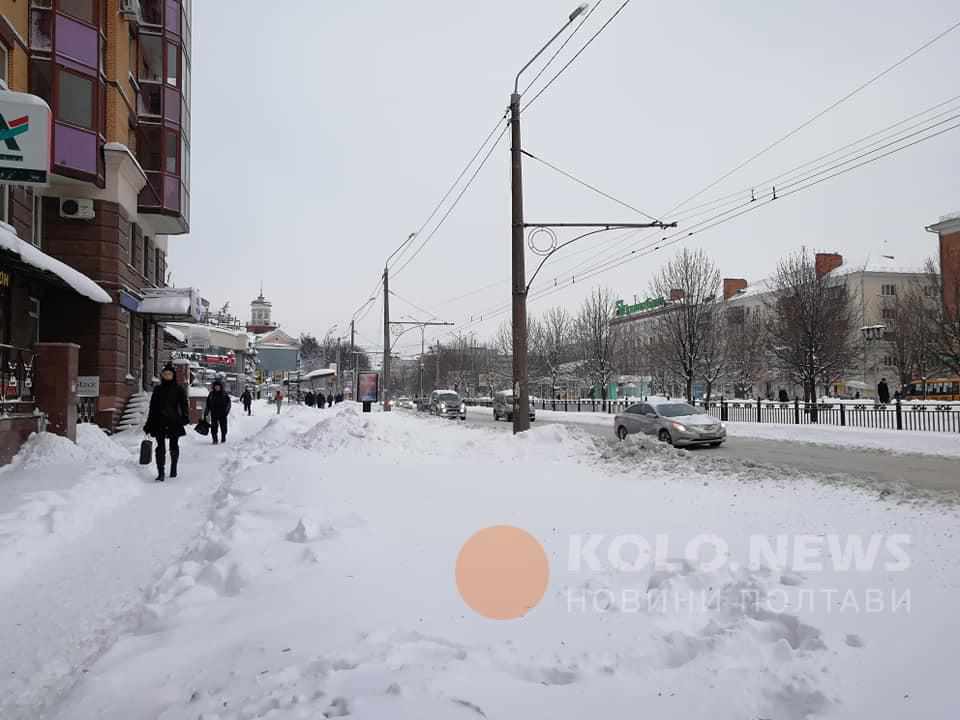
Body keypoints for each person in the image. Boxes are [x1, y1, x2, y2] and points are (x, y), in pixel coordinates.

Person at [143, 362, 189, 482]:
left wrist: (185, 417)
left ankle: (173, 467)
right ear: (162, 376)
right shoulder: (158, 389)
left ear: (173, 375)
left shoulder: (179, 389)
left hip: (174, 421)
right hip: (159, 421)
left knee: (174, 445)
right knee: (160, 447)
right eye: (165, 374)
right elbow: (152, 408)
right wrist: (149, 424)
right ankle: (161, 472)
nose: (167, 376)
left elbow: (184, 405)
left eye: (169, 374)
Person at [205, 379, 232, 444]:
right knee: (213, 427)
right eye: (215, 386)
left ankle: (223, 437)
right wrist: (206, 412)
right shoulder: (211, 394)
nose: (217, 387)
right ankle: (215, 439)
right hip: (214, 414)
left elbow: (229, 404)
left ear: (220, 387)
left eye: (218, 386)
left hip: (223, 414)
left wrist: (226, 412)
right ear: (214, 387)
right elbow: (208, 404)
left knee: (223, 427)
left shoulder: (224, 394)